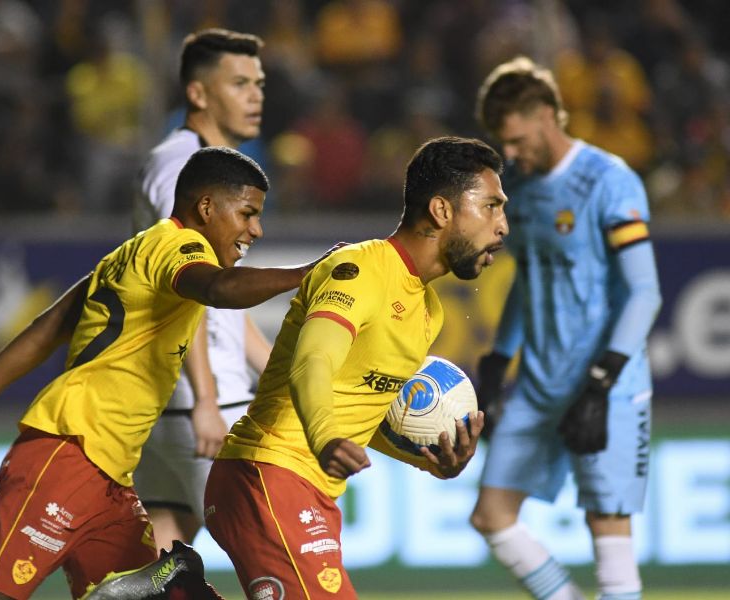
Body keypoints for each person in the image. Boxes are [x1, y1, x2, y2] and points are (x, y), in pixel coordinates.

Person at [0, 147, 325, 600]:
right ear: (206, 207)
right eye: (248, 213)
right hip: (68, 454)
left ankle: (165, 581)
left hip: (108, 480)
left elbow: (51, 326)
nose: (256, 229)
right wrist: (307, 273)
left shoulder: (133, 252)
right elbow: (219, 288)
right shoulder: (181, 247)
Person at [204, 136, 507, 599]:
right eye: (490, 206)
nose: (502, 226)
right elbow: (313, 361)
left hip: (308, 489)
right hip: (268, 475)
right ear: (443, 211)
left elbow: (362, 410)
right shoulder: (361, 268)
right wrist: (324, 437)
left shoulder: (429, 309)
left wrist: (429, 460)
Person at [469, 56, 662, 600]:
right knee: (491, 515)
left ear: (549, 114)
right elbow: (527, 280)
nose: (509, 154)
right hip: (538, 383)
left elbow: (646, 292)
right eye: (500, 143)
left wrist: (602, 381)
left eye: (514, 139)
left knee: (607, 527)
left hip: (606, 385)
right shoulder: (521, 192)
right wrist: (496, 359)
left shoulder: (609, 179)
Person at [132, 27, 273, 553]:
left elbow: (222, 304)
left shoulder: (213, 168)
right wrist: (207, 400)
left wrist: (277, 368)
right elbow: (187, 289)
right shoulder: (180, 169)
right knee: (272, 550)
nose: (256, 95)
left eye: (258, 82)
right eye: (239, 83)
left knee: (163, 558)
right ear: (198, 93)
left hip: (179, 398)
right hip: (201, 398)